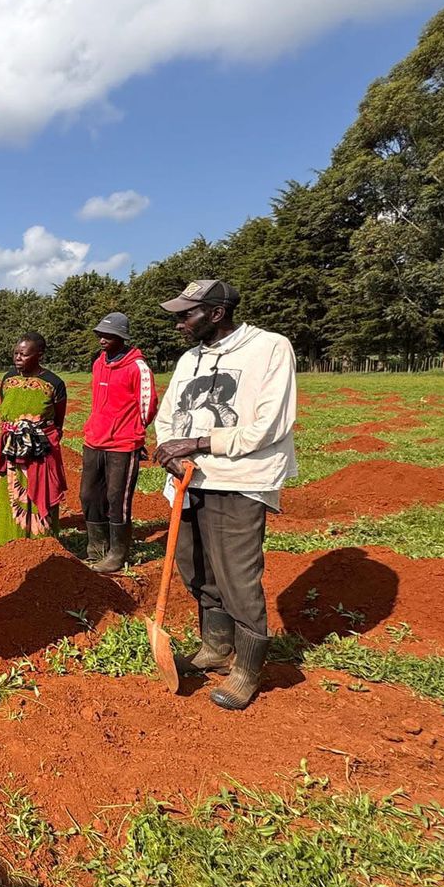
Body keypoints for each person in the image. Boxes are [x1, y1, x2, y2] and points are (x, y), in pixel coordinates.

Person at [153, 280, 297, 712]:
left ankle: (248, 670)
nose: (179, 323)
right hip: (188, 480)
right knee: (194, 567)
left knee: (237, 573)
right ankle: (215, 648)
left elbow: (270, 424)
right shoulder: (188, 359)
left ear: (216, 313)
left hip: (240, 479)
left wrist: (197, 444)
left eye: (186, 315)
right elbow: (167, 416)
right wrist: (168, 450)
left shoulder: (269, 348)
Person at [81, 312, 159, 574]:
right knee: (89, 495)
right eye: (100, 334)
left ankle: (117, 553)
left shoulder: (138, 367)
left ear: (121, 337)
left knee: (117, 499)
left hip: (123, 444)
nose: (102, 339)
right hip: (95, 440)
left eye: (108, 335)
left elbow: (148, 407)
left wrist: (134, 430)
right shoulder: (99, 363)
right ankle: (96, 549)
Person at [0, 333, 68, 544]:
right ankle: (4, 545)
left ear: (39, 355)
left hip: (39, 450)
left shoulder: (54, 383)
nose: (18, 358)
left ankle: (40, 546)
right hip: (9, 448)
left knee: (38, 494)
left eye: (23, 354)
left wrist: (37, 437)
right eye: (16, 353)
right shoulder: (8, 379)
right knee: (8, 496)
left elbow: (58, 421)